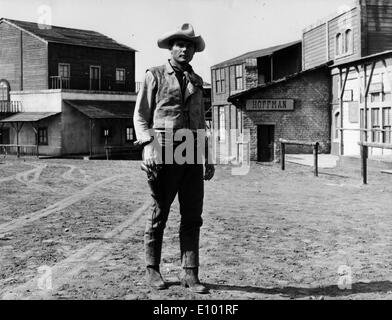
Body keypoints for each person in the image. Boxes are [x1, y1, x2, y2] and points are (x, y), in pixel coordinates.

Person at [133, 23, 215, 294]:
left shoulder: (197, 81)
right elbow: (141, 116)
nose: (184, 49)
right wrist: (147, 146)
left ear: (193, 51)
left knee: (192, 216)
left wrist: (207, 157)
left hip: (191, 150)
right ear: (170, 48)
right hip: (163, 148)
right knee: (160, 211)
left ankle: (190, 274)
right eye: (179, 44)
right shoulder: (154, 75)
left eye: (189, 45)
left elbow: (201, 120)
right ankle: (152, 269)